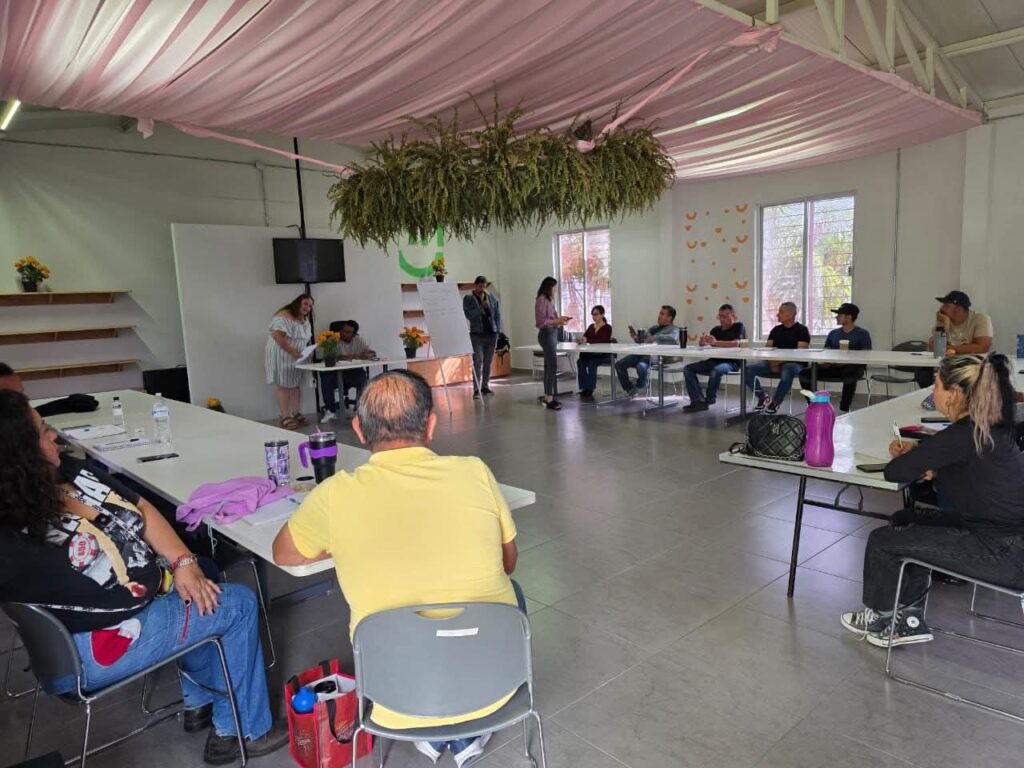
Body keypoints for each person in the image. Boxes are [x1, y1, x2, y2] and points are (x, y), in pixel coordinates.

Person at [0, 390, 286, 765]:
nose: (54, 434)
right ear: (18, 455)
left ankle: (200, 702)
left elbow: (141, 507)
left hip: (140, 601)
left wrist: (183, 562)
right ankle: (245, 730)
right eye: (41, 432)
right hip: (90, 648)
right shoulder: (12, 536)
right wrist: (173, 573)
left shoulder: (66, 472)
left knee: (199, 579)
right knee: (237, 604)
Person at [272, 370, 524, 767]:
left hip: (392, 700)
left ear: (358, 430)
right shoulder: (475, 471)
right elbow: (509, 563)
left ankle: (433, 724)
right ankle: (463, 729)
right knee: (510, 592)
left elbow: (284, 554)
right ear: (431, 425)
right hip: (495, 687)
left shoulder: (333, 495)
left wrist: (341, 543)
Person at [840, 354, 1024, 648]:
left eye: (936, 385)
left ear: (954, 394)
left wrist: (922, 458)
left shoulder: (963, 434)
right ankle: (909, 617)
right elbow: (967, 464)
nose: (932, 392)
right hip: (1001, 533)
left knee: (882, 541)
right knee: (905, 520)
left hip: (1006, 553)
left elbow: (894, 472)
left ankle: (883, 617)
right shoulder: (987, 426)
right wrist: (932, 461)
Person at [798, 303, 872, 412]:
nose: (836, 317)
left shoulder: (862, 334)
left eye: (839, 315)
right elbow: (826, 351)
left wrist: (846, 362)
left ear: (849, 317)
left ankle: (844, 408)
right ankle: (813, 403)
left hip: (852, 367)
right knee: (804, 374)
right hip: (832, 367)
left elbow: (866, 354)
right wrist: (826, 362)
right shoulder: (833, 333)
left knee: (850, 375)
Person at [915, 291, 993, 388]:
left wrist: (947, 348)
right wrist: (942, 326)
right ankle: (934, 396)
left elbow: (982, 347)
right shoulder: (944, 320)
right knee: (923, 373)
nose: (941, 308)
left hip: (971, 365)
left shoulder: (980, 319)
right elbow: (935, 349)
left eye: (946, 305)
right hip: (947, 364)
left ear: (959, 309)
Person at [745, 302, 810, 413]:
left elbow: (800, 353)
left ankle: (776, 402)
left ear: (791, 314)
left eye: (781, 311)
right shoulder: (776, 330)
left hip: (794, 363)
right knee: (748, 370)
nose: (777, 314)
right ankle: (762, 397)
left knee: (788, 370)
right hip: (773, 362)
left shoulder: (802, 330)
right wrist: (772, 362)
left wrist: (778, 362)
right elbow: (768, 349)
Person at [681, 304, 746, 413]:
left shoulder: (739, 326)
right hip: (714, 360)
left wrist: (715, 342)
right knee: (688, 369)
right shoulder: (716, 329)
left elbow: (736, 343)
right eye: (720, 316)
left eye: (725, 316)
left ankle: (709, 400)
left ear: (733, 316)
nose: (722, 319)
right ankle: (697, 401)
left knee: (716, 371)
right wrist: (702, 341)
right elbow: (704, 344)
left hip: (732, 362)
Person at [265, 293, 313, 430]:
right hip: (282, 354)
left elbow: (304, 337)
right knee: (283, 385)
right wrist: (292, 352)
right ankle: (284, 416)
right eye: (305, 304)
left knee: (296, 385)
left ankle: (296, 413)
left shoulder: (304, 319)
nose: (307, 307)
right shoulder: (283, 315)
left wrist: (305, 351)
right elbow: (277, 336)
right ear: (297, 303)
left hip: (297, 356)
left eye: (310, 306)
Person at [615, 306, 680, 396]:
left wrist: (654, 338)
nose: (659, 316)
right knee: (619, 364)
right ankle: (630, 389)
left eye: (662, 314)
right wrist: (635, 337)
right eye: (660, 313)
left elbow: (673, 338)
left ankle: (641, 385)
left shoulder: (674, 329)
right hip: (642, 353)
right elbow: (643, 342)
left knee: (641, 366)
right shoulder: (653, 328)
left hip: (658, 356)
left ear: (669, 318)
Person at [320, 320, 376, 422]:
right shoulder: (332, 340)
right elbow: (331, 357)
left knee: (362, 378)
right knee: (326, 378)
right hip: (335, 373)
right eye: (343, 330)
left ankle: (359, 410)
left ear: (354, 334)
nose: (343, 333)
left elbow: (372, 353)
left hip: (352, 372)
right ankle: (330, 411)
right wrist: (355, 356)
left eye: (348, 332)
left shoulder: (358, 340)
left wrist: (368, 355)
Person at [534, 277, 571, 411]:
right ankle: (549, 398)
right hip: (547, 334)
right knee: (552, 366)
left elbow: (550, 319)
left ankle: (547, 396)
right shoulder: (541, 300)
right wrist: (557, 321)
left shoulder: (548, 301)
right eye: (554, 287)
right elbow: (541, 322)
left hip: (552, 334)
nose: (555, 290)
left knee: (549, 366)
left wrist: (560, 320)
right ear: (549, 287)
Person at [463, 276, 502, 399]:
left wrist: (498, 330)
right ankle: (476, 389)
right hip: (477, 335)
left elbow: (497, 314)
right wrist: (481, 308)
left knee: (488, 362)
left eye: (484, 286)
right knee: (478, 362)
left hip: (491, 333)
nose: (482, 289)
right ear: (475, 285)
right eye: (480, 286)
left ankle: (485, 386)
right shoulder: (469, 298)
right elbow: (469, 315)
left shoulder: (491, 297)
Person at [576, 305, 613, 398]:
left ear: (602, 315)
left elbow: (603, 340)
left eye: (596, 314)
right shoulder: (591, 327)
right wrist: (581, 340)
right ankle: (584, 388)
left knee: (592, 363)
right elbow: (585, 337)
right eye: (592, 314)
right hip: (591, 354)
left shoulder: (607, 328)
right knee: (580, 362)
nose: (594, 316)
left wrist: (588, 340)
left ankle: (590, 388)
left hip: (602, 355)